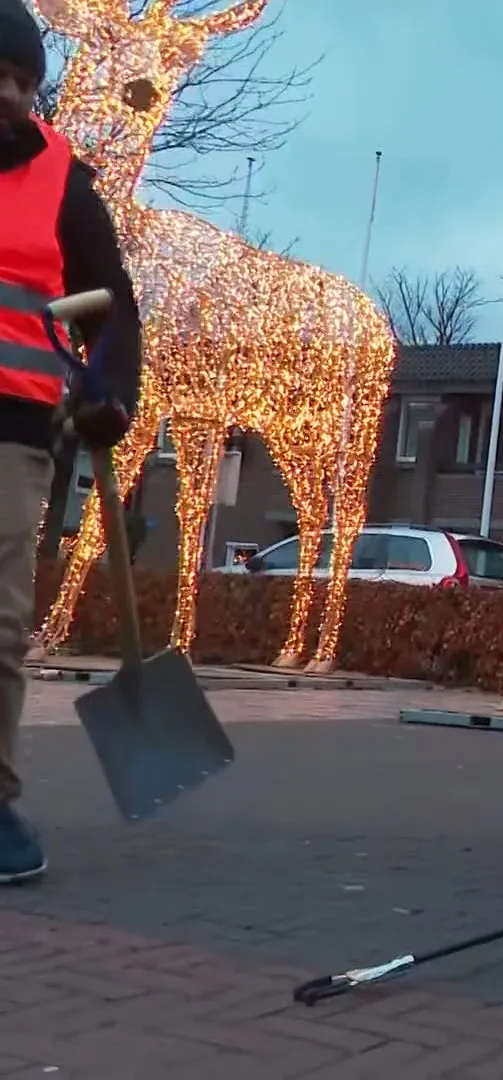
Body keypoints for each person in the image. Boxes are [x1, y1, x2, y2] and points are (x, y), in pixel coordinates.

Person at [0, 0, 142, 886]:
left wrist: (106, 388)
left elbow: (109, 304)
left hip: (11, 431)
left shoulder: (64, 183)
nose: (7, 95)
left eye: (21, 82)